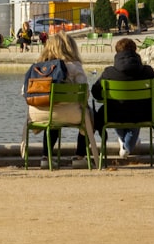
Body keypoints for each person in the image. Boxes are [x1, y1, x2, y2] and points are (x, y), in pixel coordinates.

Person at [25, 32, 99, 168]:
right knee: (89, 115)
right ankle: (80, 156)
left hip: (38, 113)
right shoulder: (75, 66)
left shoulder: (38, 67)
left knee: (52, 120)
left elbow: (23, 92)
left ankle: (45, 157)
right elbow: (84, 94)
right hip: (70, 113)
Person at [90, 37, 154, 159]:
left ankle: (125, 146)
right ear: (135, 52)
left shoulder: (109, 72)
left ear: (117, 53)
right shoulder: (147, 71)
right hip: (143, 114)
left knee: (114, 109)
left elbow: (95, 92)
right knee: (135, 112)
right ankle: (126, 146)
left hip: (114, 114)